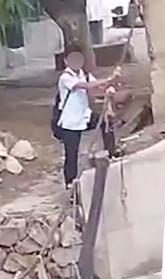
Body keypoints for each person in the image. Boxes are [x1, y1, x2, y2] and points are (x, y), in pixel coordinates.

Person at [56, 49, 120, 188]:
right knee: (71, 153)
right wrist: (108, 79)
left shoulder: (84, 74)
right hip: (70, 121)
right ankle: (70, 182)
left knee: (105, 121)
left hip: (84, 115)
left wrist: (110, 84)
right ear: (66, 61)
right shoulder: (65, 77)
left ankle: (112, 152)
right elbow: (84, 86)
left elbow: (97, 86)